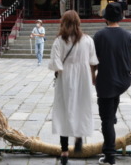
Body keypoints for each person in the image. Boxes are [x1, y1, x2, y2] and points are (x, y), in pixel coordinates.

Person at [48, 10, 99, 165]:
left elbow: (55, 65)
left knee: (63, 111)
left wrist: (64, 70)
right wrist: (93, 78)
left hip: (65, 79)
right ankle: (78, 138)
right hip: (84, 78)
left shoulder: (59, 41)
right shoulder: (88, 40)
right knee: (82, 108)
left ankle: (64, 153)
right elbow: (93, 62)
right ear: (78, 23)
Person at [92, 2, 131, 165]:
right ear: (120, 17)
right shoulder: (129, 36)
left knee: (105, 120)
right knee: (111, 107)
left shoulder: (99, 36)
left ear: (105, 18)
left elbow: (93, 61)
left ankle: (110, 156)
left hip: (106, 80)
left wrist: (93, 75)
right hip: (123, 80)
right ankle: (112, 118)